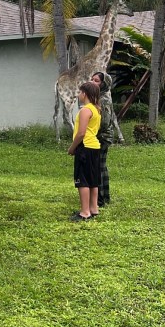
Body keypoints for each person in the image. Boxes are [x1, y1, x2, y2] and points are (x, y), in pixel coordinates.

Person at [67, 81, 102, 221]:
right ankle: (94, 208)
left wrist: (72, 147)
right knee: (93, 180)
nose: (78, 95)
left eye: (80, 92)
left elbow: (81, 133)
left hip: (85, 147)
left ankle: (85, 212)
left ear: (84, 94)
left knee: (83, 180)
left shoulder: (85, 110)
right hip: (94, 147)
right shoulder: (96, 109)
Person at [91, 72, 114, 207]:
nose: (93, 82)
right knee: (101, 166)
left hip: (102, 137)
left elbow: (104, 122)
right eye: (92, 79)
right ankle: (104, 196)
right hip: (101, 136)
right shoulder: (98, 97)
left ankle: (100, 198)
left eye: (96, 81)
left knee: (98, 166)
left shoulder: (103, 99)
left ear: (104, 84)